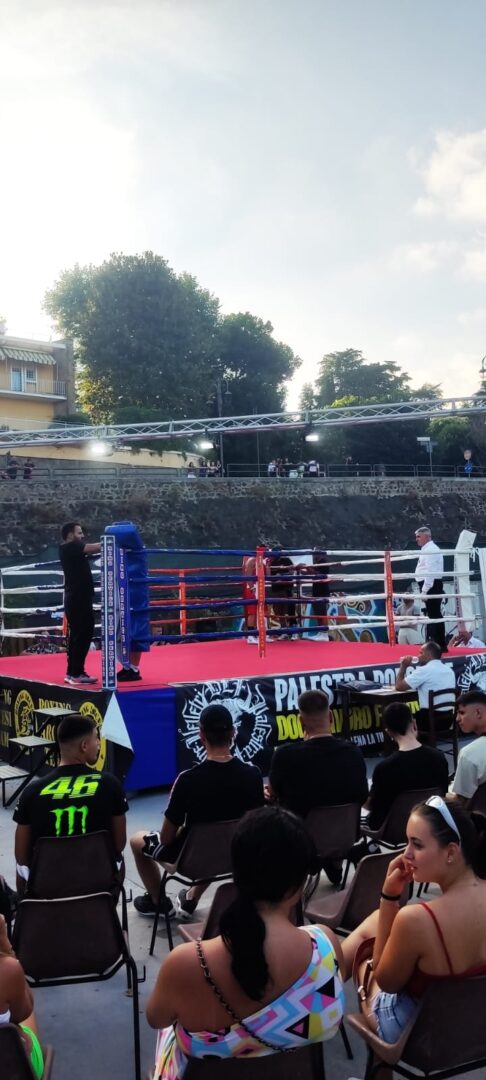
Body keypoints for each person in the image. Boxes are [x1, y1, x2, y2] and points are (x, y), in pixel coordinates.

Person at [146, 806, 345, 1077]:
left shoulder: (185, 964)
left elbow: (157, 1019)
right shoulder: (326, 948)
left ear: (236, 873)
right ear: (299, 885)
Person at [341, 797, 486, 1054]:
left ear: (451, 852)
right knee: (377, 920)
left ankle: (314, 1002)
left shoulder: (417, 920)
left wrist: (389, 898)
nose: (405, 854)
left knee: (364, 953)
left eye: (416, 844)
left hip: (422, 1039)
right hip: (474, 1029)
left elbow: (386, 982)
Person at [130, 704, 264, 919]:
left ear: (201, 735)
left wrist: (182, 830)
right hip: (237, 855)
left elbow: (166, 839)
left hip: (193, 861)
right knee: (218, 838)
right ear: (233, 732)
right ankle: (191, 898)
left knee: (137, 840)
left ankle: (158, 902)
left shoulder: (187, 780)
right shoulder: (253, 774)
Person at [13, 714, 128, 889]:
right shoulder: (111, 785)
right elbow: (119, 845)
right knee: (120, 858)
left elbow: (21, 857)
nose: (99, 743)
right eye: (96, 738)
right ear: (84, 745)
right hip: (98, 887)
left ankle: (27, 906)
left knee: (20, 868)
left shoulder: (31, 792)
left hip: (48, 890)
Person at [268, 689, 368, 884]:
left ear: (300, 721)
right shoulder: (353, 752)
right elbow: (362, 795)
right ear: (330, 717)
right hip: (345, 834)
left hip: (300, 838)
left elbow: (273, 792)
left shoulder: (285, 755)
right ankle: (335, 862)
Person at [364, 703, 448, 830]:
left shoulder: (384, 768)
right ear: (414, 723)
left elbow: (374, 806)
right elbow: (443, 795)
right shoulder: (439, 758)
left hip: (392, 831)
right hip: (431, 826)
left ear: (388, 732)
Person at [0, 914, 44, 1078]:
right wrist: (6, 949)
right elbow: (23, 1012)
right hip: (11, 1072)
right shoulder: (7, 970)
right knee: (25, 1012)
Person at [59, 521, 100, 684]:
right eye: (79, 533)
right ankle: (76, 673)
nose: (82, 536)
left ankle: (72, 672)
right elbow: (93, 548)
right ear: (70, 535)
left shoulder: (70, 549)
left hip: (78, 597)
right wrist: (113, 541)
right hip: (78, 598)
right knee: (82, 634)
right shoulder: (70, 546)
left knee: (78, 635)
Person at [395, 641, 456, 734]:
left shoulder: (424, 670)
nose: (418, 656)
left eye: (421, 653)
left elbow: (399, 686)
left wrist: (403, 666)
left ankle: (404, 742)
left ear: (428, 655)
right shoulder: (449, 670)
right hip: (448, 719)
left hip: (428, 721)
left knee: (400, 715)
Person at [451, 690, 486, 806]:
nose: (457, 719)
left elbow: (461, 802)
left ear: (478, 713)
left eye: (461, 712)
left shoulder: (469, 754)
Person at [414, 525, 445, 650]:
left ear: (427, 537)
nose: (417, 539)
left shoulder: (431, 549)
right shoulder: (427, 549)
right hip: (430, 584)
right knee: (433, 614)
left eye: (419, 537)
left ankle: (439, 645)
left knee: (434, 614)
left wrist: (425, 590)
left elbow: (430, 571)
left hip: (431, 585)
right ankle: (438, 644)